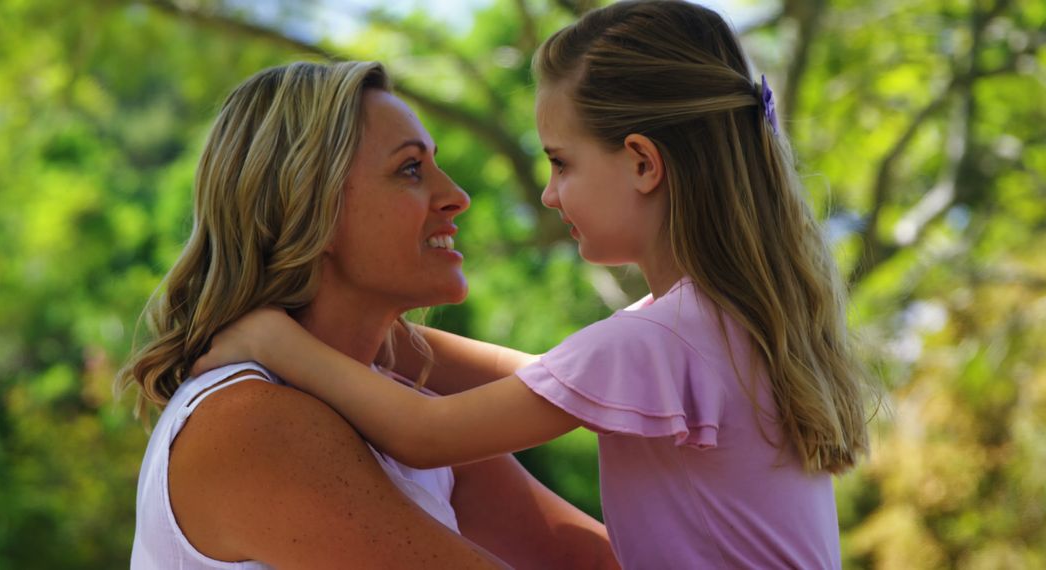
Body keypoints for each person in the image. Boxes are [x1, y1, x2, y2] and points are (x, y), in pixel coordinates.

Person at [195, 1, 878, 567]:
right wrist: (364, 332)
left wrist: (274, 341)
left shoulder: (654, 340)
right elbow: (533, 378)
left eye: (561, 163)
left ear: (642, 162)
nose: (550, 195)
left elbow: (425, 433)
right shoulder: (711, 325)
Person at [117, 61, 618, 569]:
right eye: (410, 169)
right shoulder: (248, 420)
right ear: (312, 207)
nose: (456, 197)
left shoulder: (394, 405)